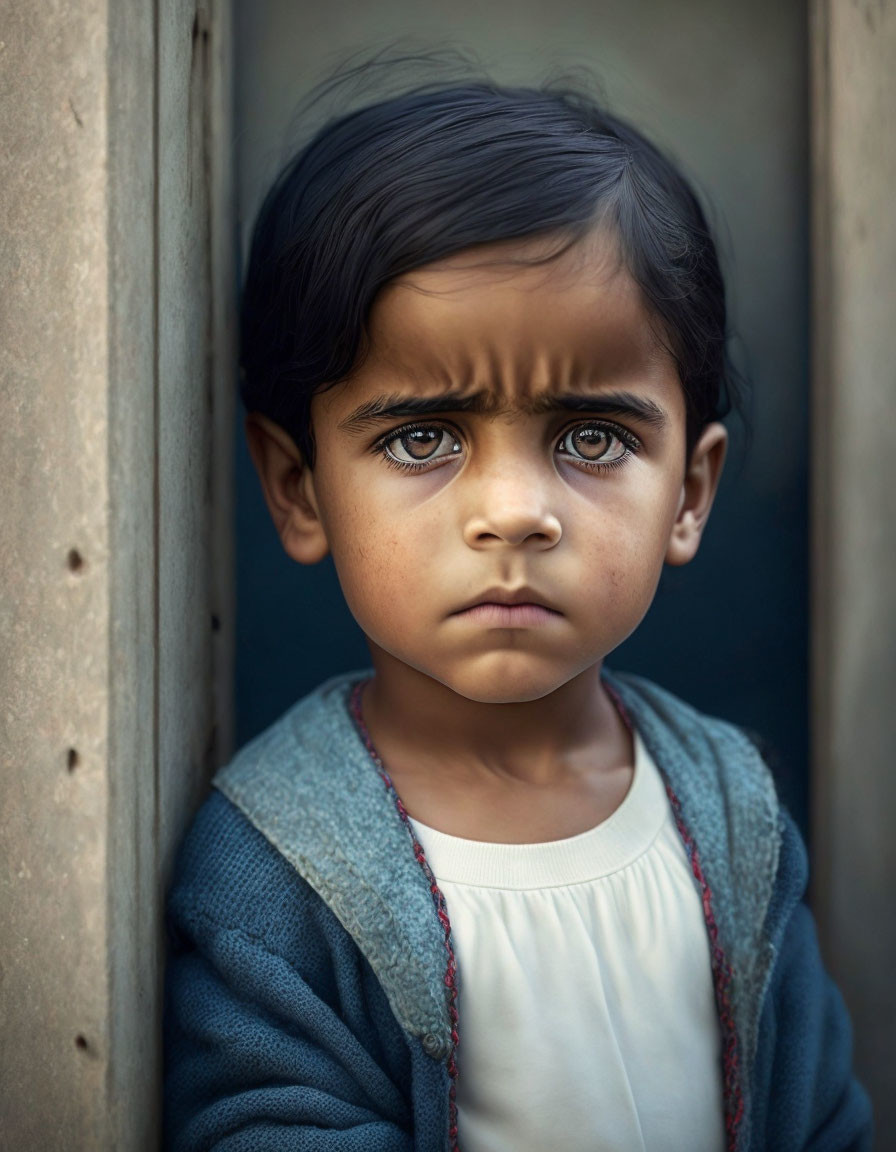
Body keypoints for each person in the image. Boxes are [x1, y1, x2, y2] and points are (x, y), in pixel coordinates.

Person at [163, 74, 873, 1152]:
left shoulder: (733, 812)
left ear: (687, 492)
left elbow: (818, 1117)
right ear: (298, 487)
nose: (512, 513)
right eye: (421, 438)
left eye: (590, 437)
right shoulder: (276, 864)